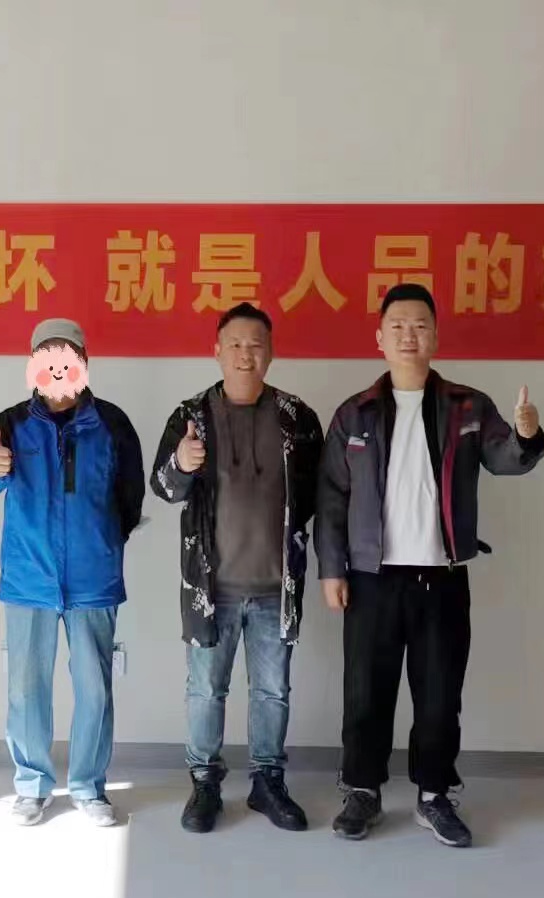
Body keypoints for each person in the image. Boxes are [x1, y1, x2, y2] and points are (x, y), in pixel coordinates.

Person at [316, 283, 544, 847]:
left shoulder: (467, 406)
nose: (408, 335)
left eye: (419, 325)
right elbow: (331, 498)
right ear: (379, 338)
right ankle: (362, 791)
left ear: (436, 336)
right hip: (371, 578)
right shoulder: (354, 414)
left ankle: (434, 794)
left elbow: (506, 458)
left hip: (441, 579)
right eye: (397, 326)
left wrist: (526, 434)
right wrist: (331, 569)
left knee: (440, 693)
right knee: (365, 692)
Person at [150, 303, 323, 834]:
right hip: (211, 588)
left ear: (270, 353)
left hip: (276, 587)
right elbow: (162, 488)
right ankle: (205, 783)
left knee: (273, 692)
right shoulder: (191, 415)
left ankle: (268, 782)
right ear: (217, 351)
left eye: (255, 345)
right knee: (206, 691)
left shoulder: (297, 417)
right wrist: (181, 464)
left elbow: (319, 496)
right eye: (235, 344)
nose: (245, 354)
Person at [0, 318, 144, 827]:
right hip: (29, 579)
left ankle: (89, 787)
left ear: (84, 361)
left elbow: (130, 496)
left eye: (66, 353)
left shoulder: (112, 423)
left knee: (95, 689)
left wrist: (103, 543)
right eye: (46, 354)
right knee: (25, 691)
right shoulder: (9, 422)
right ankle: (31, 786)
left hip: (94, 580)